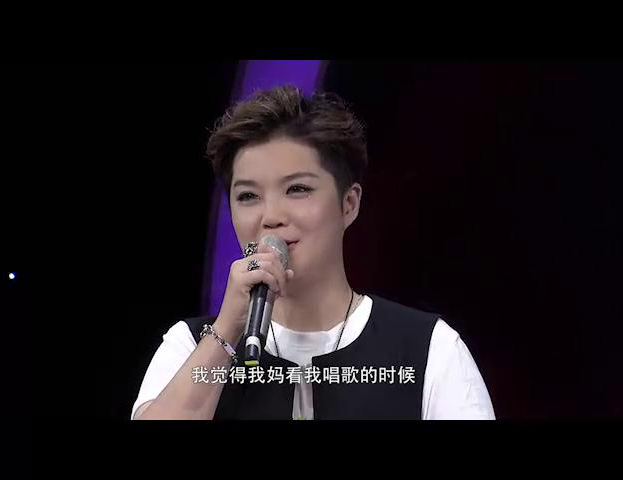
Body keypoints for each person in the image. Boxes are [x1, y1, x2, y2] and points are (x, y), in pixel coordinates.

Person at [131, 85, 495, 420]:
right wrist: (226, 331)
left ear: (349, 203)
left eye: (297, 189)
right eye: (248, 196)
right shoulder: (189, 344)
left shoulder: (429, 350)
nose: (271, 216)